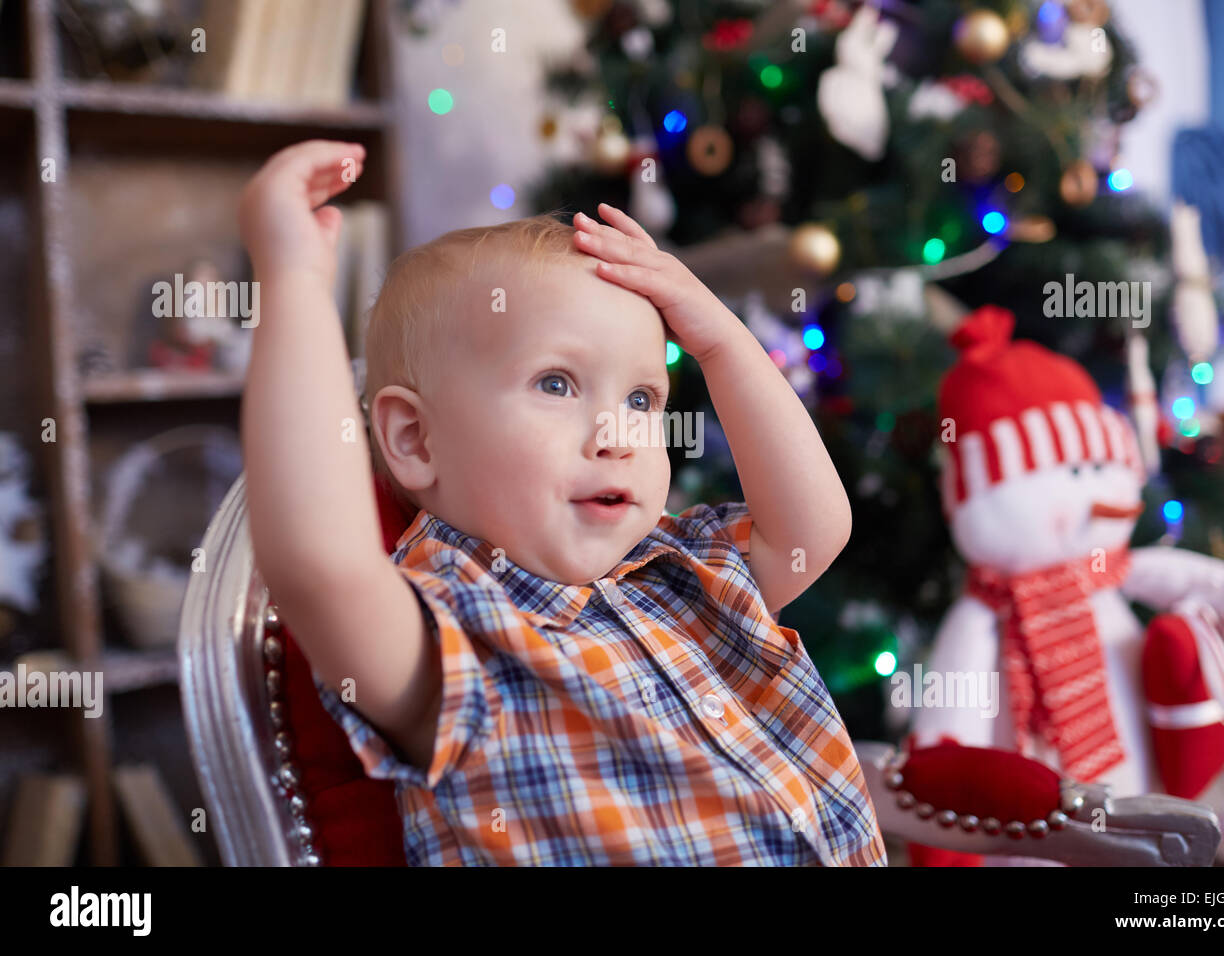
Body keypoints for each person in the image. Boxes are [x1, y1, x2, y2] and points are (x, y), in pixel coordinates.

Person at [237, 139, 885, 866]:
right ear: (416, 438)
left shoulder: (684, 572)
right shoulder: (458, 636)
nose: (616, 433)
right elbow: (320, 565)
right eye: (555, 383)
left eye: (641, 398)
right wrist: (292, 277)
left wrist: (720, 342)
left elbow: (815, 529)